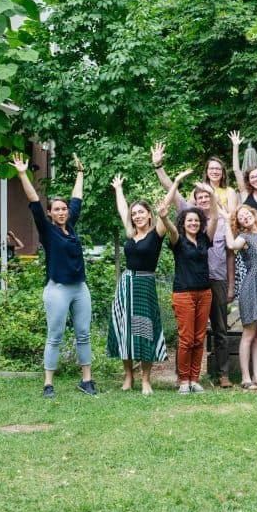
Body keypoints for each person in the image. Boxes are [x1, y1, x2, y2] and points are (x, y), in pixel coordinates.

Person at [12, 152, 96, 398]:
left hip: (80, 288)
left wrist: (80, 173)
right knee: (55, 335)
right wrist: (22, 174)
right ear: (49, 213)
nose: (61, 212)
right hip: (58, 289)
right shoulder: (47, 230)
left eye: (64, 209)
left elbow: (77, 198)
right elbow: (34, 201)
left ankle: (87, 380)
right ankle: (48, 384)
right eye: (56, 209)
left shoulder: (70, 227)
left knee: (83, 334)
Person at [153, 142, 236, 388]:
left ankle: (220, 375)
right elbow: (169, 190)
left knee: (217, 331)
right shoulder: (187, 217)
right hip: (188, 286)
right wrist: (159, 166)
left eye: (207, 197)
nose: (203, 200)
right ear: (194, 201)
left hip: (214, 282)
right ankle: (183, 378)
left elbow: (230, 253)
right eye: (200, 197)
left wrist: (231, 285)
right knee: (187, 335)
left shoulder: (215, 225)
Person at [107, 172, 172, 395]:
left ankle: (146, 379)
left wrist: (174, 184)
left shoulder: (157, 233)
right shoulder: (130, 233)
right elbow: (122, 210)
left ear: (149, 214)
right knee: (125, 329)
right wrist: (118, 189)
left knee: (144, 330)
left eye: (141, 212)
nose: (137, 216)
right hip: (126, 285)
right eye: (134, 214)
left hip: (145, 286)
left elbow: (165, 209)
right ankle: (128, 376)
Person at [159, 176, 219, 394]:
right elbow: (170, 229)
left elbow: (215, 217)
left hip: (204, 293)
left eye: (196, 220)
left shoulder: (204, 239)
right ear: (183, 223)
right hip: (183, 294)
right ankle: (183, 380)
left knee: (199, 338)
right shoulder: (178, 240)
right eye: (189, 221)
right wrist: (164, 217)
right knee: (186, 339)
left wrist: (211, 194)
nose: (193, 223)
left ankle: (194, 379)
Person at [225, 205, 257, 390]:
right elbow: (232, 246)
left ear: (254, 214)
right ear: (239, 223)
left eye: (247, 213)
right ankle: (245, 378)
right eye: (241, 217)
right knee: (248, 334)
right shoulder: (244, 237)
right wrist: (226, 222)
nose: (245, 217)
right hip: (252, 287)